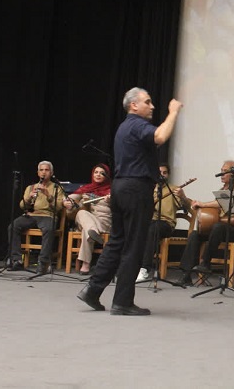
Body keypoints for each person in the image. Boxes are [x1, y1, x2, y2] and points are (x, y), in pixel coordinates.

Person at [77, 87, 183, 316]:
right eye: (147, 102)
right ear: (133, 105)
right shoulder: (137, 124)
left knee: (117, 242)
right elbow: (160, 136)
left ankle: (92, 291)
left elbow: (152, 142)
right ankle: (122, 302)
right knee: (134, 245)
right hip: (136, 188)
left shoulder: (125, 127)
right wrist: (173, 112)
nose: (152, 106)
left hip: (121, 187)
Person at [176, 160, 234, 286]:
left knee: (218, 227)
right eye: (221, 171)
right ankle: (186, 274)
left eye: (225, 171)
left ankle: (205, 263)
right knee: (196, 234)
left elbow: (224, 203)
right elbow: (214, 208)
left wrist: (203, 204)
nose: (221, 174)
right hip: (219, 229)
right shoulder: (221, 189)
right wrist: (185, 198)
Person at [135, 163, 191, 283]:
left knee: (152, 229)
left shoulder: (174, 189)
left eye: (165, 173)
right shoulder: (148, 189)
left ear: (168, 175)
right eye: (159, 173)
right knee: (137, 228)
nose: (162, 175)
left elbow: (187, 207)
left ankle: (144, 268)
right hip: (149, 222)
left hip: (166, 224)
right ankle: (131, 266)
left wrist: (183, 196)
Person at [8, 161, 65, 274]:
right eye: (41, 170)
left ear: (51, 173)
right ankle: (17, 260)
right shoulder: (31, 187)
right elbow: (22, 206)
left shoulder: (57, 188)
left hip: (47, 215)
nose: (44, 172)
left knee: (49, 229)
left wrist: (48, 195)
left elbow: (58, 207)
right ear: (38, 173)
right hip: (32, 215)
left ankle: (43, 262)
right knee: (13, 226)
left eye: (47, 170)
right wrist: (29, 198)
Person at [63, 164, 112, 275]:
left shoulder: (112, 190)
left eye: (102, 173)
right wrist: (66, 202)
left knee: (87, 230)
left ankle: (86, 264)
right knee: (82, 213)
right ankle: (93, 232)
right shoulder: (86, 189)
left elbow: (121, 208)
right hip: (88, 220)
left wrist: (111, 201)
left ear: (107, 176)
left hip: (103, 223)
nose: (98, 175)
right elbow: (69, 199)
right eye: (96, 172)